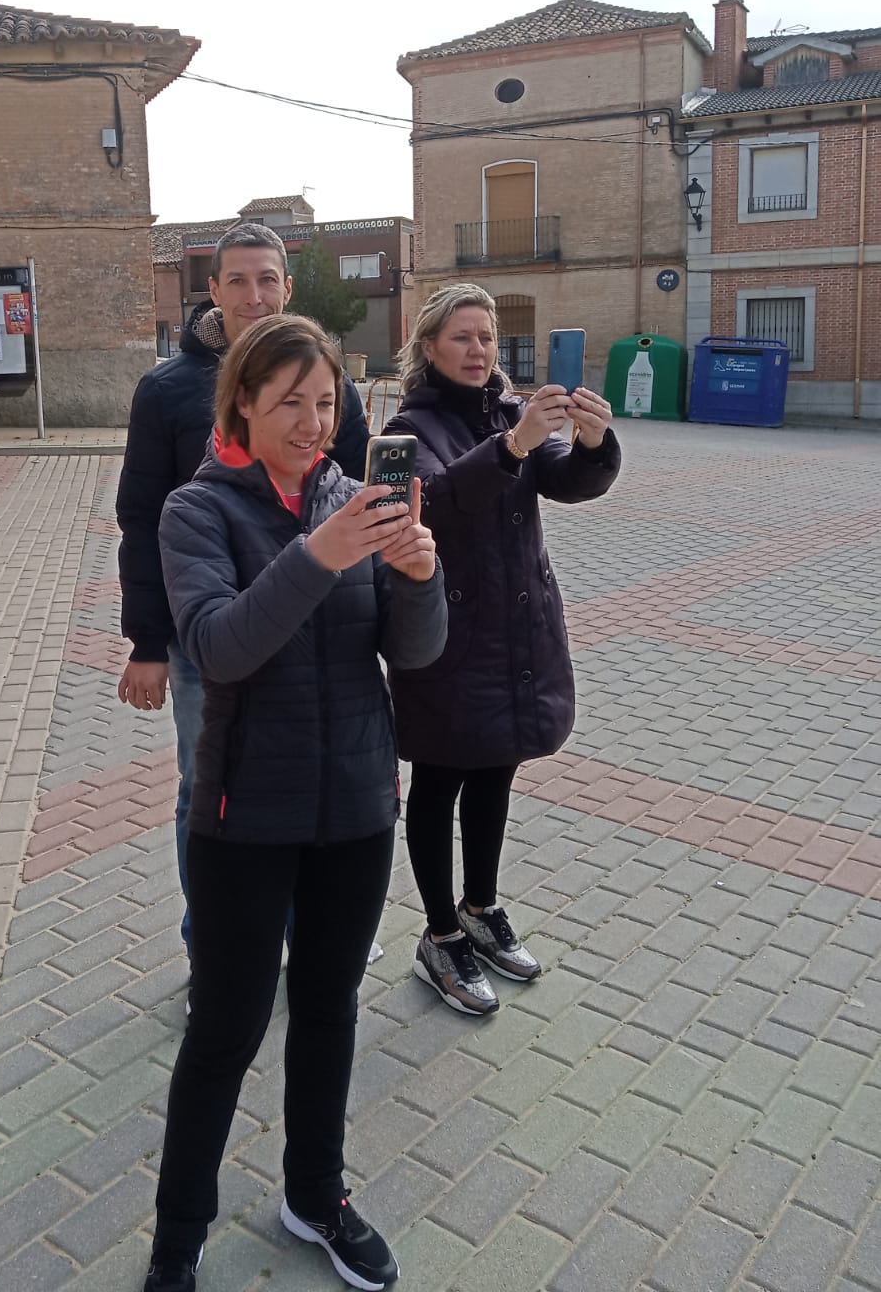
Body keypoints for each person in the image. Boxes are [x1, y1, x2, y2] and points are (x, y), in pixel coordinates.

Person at [143, 314, 446, 1292]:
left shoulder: (358, 500)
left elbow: (416, 652)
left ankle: (315, 1194)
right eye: (290, 404)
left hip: (356, 802)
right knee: (225, 1029)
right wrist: (319, 552)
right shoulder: (198, 511)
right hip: (243, 814)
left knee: (327, 1007)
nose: (315, 422)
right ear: (241, 402)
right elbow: (222, 644)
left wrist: (419, 575)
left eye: (326, 402)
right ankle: (177, 1240)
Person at [116, 223, 368, 965]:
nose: (254, 295)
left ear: (287, 287)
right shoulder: (167, 389)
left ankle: (305, 935)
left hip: (314, 629)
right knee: (210, 793)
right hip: (211, 636)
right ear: (214, 290)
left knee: (310, 784)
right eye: (237, 281)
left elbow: (346, 499)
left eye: (268, 279)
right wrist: (147, 642)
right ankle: (217, 953)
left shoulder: (336, 385)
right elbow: (140, 518)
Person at [385, 284, 620, 1015]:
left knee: (495, 773)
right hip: (448, 637)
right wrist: (510, 447)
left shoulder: (507, 413)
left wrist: (590, 442)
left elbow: (566, 480)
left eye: (487, 336)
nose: (479, 349)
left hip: (517, 631)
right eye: (462, 337)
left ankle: (481, 908)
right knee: (438, 782)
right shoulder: (407, 423)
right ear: (430, 348)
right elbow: (430, 501)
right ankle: (439, 933)